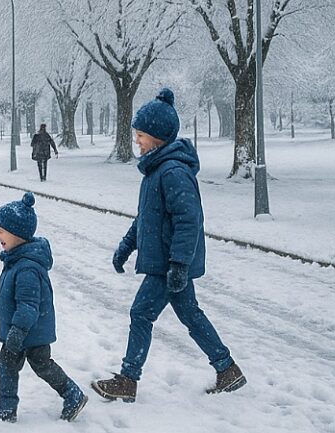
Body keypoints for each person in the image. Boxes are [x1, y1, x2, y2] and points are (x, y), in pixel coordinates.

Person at [91, 88, 245, 403]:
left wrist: (178, 265)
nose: (137, 140)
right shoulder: (156, 170)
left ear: (158, 137)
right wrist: (125, 247)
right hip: (168, 262)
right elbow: (146, 219)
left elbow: (189, 221)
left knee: (140, 314)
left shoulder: (172, 172)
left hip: (168, 264)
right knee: (189, 313)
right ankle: (227, 368)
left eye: (141, 135)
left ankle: (128, 380)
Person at [0, 192, 88, 423]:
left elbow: (29, 306)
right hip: (17, 331)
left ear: (17, 235)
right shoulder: (14, 259)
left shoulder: (27, 268)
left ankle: (73, 394)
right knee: (7, 366)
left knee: (42, 366)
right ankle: (7, 407)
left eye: (1, 230)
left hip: (31, 331)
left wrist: (18, 332)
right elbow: (6, 296)